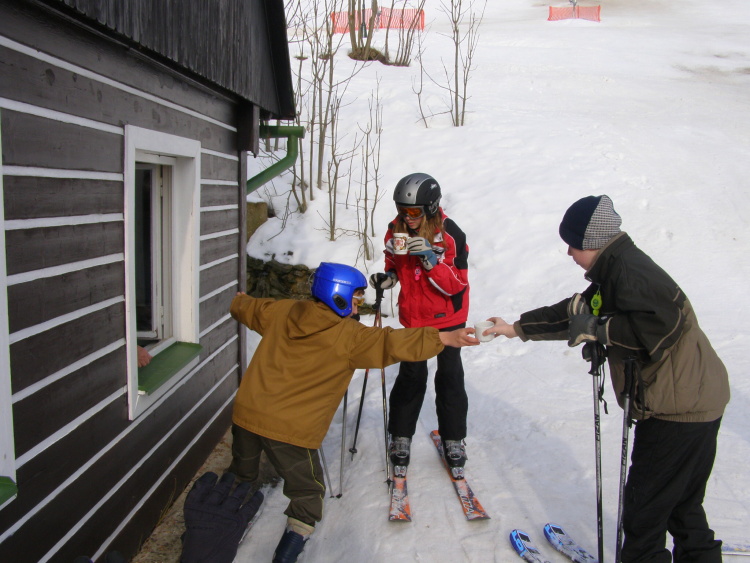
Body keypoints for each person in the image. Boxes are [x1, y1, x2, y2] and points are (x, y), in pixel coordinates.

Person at [484, 195, 730, 562]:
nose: (569, 251)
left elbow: (661, 326)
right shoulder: (615, 270)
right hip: (696, 398)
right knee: (682, 504)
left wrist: (600, 330)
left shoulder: (629, 272)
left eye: (573, 243)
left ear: (592, 241)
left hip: (677, 410)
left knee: (645, 513)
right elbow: (577, 312)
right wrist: (516, 327)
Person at [228, 261, 479, 563]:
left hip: (246, 414)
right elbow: (390, 342)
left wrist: (239, 301)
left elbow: (250, 308)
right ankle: (290, 545)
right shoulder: (350, 336)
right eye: (357, 297)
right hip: (289, 430)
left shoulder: (283, 311)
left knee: (242, 470)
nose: (359, 303)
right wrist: (444, 338)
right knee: (308, 492)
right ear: (339, 295)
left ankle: (226, 507)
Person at [369, 173, 471, 476]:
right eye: (402, 210)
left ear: (431, 207)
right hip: (414, 317)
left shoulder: (450, 235)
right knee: (411, 375)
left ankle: (454, 438)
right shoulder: (395, 229)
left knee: (449, 376)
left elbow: (457, 285)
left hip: (448, 317)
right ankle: (400, 435)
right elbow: (392, 259)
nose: (407, 217)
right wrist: (389, 277)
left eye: (414, 211)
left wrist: (430, 261)